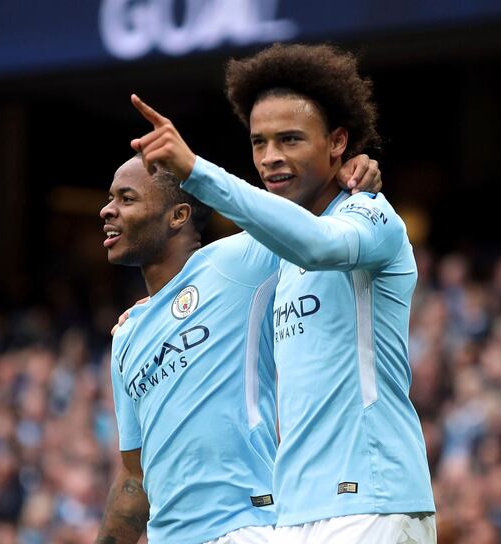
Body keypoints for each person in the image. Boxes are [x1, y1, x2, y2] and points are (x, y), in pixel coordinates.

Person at [130, 43, 437, 543]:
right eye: (259, 143)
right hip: (294, 513)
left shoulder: (372, 216)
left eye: (290, 139)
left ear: (338, 142)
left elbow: (318, 244)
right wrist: (152, 312)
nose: (271, 158)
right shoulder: (273, 254)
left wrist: (195, 170)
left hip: (374, 500)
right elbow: (224, 270)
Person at [97, 153, 381, 540]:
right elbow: (134, 476)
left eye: (126, 199)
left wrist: (349, 170)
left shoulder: (235, 262)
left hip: (244, 528)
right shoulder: (127, 336)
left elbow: (307, 216)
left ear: (178, 216)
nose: (106, 210)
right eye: (111, 198)